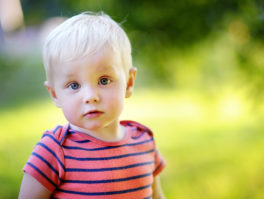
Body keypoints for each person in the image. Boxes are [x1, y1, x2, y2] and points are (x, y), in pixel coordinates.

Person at [18, 12, 166, 199]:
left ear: (128, 83)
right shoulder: (54, 151)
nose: (90, 97)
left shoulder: (144, 141)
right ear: (55, 95)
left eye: (104, 81)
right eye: (74, 85)